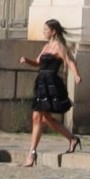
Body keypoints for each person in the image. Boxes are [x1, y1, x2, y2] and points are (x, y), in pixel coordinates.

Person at [21, 18, 80, 167]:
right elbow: (38, 63)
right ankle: (72, 138)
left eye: (46, 30)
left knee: (38, 117)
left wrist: (76, 75)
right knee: (44, 118)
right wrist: (27, 60)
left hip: (51, 83)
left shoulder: (59, 47)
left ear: (53, 32)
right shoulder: (46, 46)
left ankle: (32, 153)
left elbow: (69, 61)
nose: (44, 32)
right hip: (41, 83)